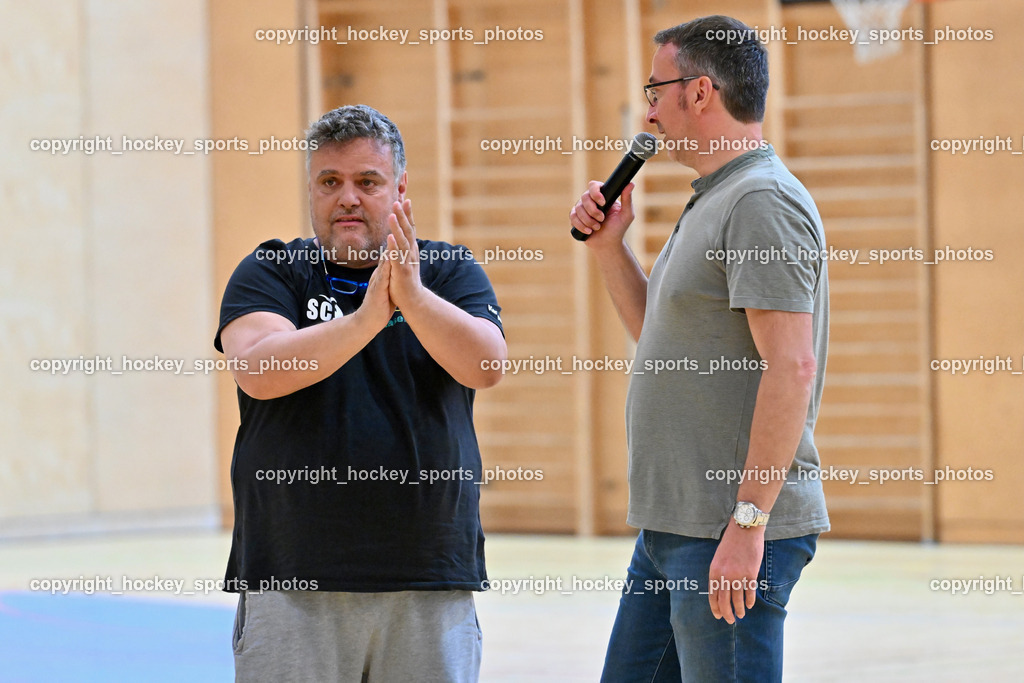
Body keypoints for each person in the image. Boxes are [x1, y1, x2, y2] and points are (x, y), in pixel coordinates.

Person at [570, 15, 830, 683]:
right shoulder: (715, 198)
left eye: (656, 89)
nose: (648, 108)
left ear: (700, 92)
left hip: (727, 529)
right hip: (673, 527)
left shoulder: (760, 201)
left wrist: (748, 525)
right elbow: (661, 338)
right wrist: (609, 247)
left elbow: (791, 366)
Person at [214, 104, 507, 682]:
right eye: (330, 182)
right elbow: (257, 369)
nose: (347, 197)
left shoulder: (447, 271)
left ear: (399, 189)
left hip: (428, 576)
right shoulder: (274, 268)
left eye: (366, 182)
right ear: (312, 191)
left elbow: (486, 364)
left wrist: (413, 299)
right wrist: (368, 319)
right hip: (293, 577)